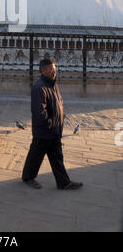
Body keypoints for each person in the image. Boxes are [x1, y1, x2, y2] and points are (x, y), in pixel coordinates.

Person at [22, 58, 83, 190]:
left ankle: (64, 182)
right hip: (45, 130)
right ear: (43, 71)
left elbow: (58, 102)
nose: (54, 71)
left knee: (57, 157)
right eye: (51, 69)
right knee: (35, 156)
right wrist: (49, 124)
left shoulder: (53, 85)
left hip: (55, 129)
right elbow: (39, 112)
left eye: (54, 68)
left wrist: (61, 117)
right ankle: (28, 177)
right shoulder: (39, 88)